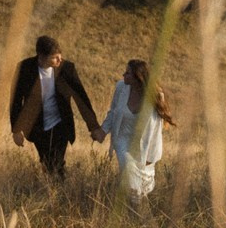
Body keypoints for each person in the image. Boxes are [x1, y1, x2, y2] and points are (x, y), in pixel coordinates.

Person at [9, 35, 102, 178]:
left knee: (57, 163)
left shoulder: (67, 69)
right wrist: (16, 130)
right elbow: (15, 99)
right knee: (46, 162)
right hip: (37, 125)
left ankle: (59, 189)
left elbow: (81, 98)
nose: (60, 60)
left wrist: (94, 126)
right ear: (41, 57)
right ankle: (53, 189)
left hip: (60, 124)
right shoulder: (25, 68)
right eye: (55, 57)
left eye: (60, 56)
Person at [102, 57, 176, 205]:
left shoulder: (155, 96)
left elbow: (155, 132)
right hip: (122, 139)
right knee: (130, 177)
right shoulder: (121, 88)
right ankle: (138, 212)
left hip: (143, 144)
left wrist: (150, 158)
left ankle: (133, 210)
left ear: (138, 78)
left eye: (128, 73)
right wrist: (103, 130)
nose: (124, 76)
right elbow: (113, 112)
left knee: (142, 186)